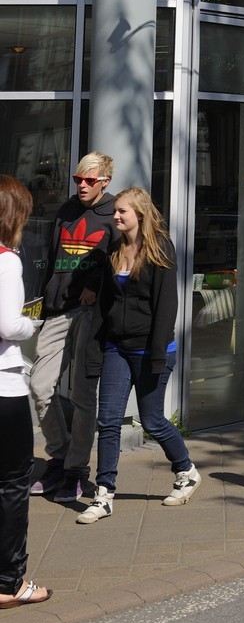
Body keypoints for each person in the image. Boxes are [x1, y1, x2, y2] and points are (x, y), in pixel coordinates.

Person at [76, 188, 200, 525]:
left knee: (152, 420)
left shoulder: (160, 248)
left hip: (151, 350)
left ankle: (186, 471)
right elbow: (105, 306)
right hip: (117, 347)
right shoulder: (114, 249)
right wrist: (95, 350)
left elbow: (165, 307)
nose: (116, 216)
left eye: (122, 212)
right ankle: (104, 494)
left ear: (140, 214)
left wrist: (158, 356)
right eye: (115, 211)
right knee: (109, 420)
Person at [29, 151, 121, 503]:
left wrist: (95, 285)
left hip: (89, 314)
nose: (82, 186)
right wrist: (40, 301)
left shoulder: (114, 215)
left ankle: (76, 470)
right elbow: (52, 260)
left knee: (83, 396)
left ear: (105, 181)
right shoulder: (66, 211)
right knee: (40, 385)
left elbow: (119, 262)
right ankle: (59, 454)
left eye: (90, 180)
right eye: (77, 179)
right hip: (57, 309)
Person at [0, 176, 51, 608]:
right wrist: (32, 324)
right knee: (14, 483)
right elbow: (9, 325)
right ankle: (10, 583)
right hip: (4, 385)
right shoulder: (7, 261)